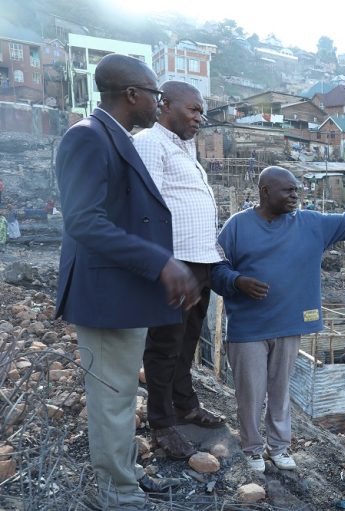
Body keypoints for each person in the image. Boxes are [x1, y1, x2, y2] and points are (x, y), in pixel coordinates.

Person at [55, 54, 199, 509]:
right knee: (112, 400)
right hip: (105, 296)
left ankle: (126, 474)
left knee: (118, 396)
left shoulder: (113, 137)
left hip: (122, 294)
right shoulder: (87, 137)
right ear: (132, 94)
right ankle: (116, 494)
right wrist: (160, 262)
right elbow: (84, 222)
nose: (160, 103)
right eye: (156, 94)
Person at [211, 166, 345, 473]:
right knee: (250, 394)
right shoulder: (237, 226)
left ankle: (279, 447)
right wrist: (237, 281)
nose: (296, 195)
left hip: (288, 326)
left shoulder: (309, 224)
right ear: (265, 191)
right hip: (249, 329)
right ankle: (253, 449)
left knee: (280, 392)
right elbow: (214, 271)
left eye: (297, 189)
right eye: (288, 190)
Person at [134, 81, 225, 460]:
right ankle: (162, 425)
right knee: (165, 343)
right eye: (193, 110)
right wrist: (161, 262)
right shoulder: (150, 143)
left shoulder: (185, 149)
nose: (199, 118)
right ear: (165, 105)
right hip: (175, 262)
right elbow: (143, 205)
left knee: (188, 339)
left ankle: (185, 404)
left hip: (200, 261)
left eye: (202, 112)